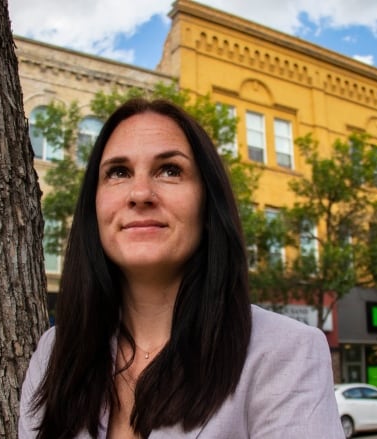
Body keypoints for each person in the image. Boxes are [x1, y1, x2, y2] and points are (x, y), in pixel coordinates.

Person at [18, 98, 343, 439]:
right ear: (94, 206)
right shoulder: (54, 355)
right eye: (118, 172)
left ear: (207, 203)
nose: (140, 193)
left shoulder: (285, 353)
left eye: (170, 170)